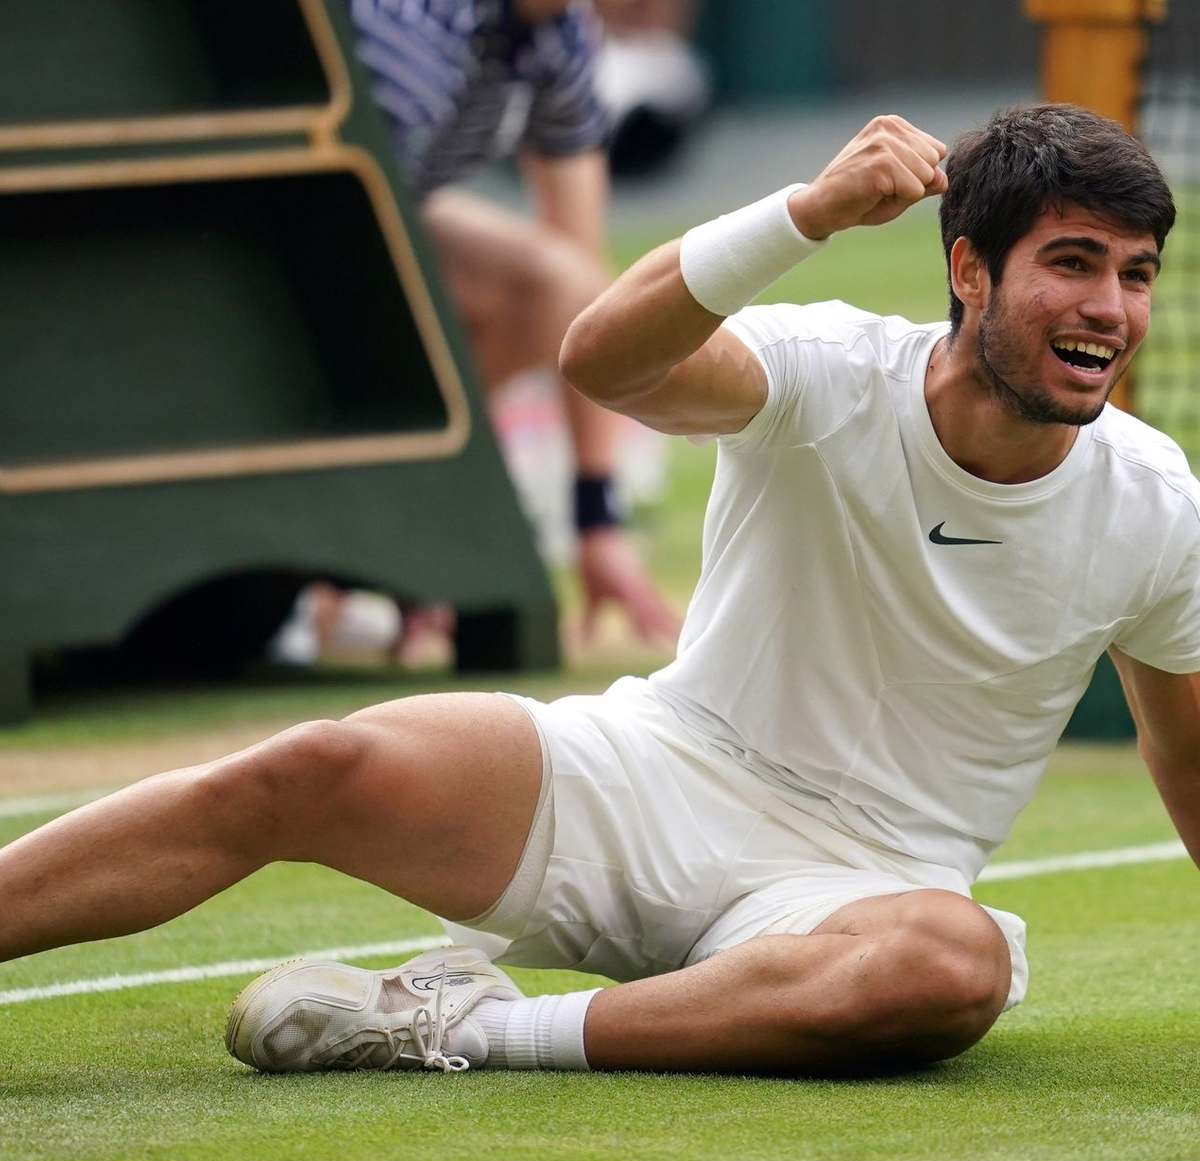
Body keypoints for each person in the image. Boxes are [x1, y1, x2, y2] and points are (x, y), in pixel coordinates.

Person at [4, 105, 1197, 1078]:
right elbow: (601, 358)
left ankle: (457, 1026)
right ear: (969, 272)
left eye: (1136, 275)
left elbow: (1187, 757)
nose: (1112, 310)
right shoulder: (830, 371)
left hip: (863, 892)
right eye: (1074, 264)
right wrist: (804, 211)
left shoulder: (1154, 501)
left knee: (951, 968)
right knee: (307, 767)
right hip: (647, 774)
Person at [330, 0, 679, 654]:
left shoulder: (563, 29)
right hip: (292, 235)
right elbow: (338, 217)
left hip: (391, 213)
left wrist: (596, 520)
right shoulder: (413, 22)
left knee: (562, 282)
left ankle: (406, 524)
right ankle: (359, 549)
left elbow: (590, 300)